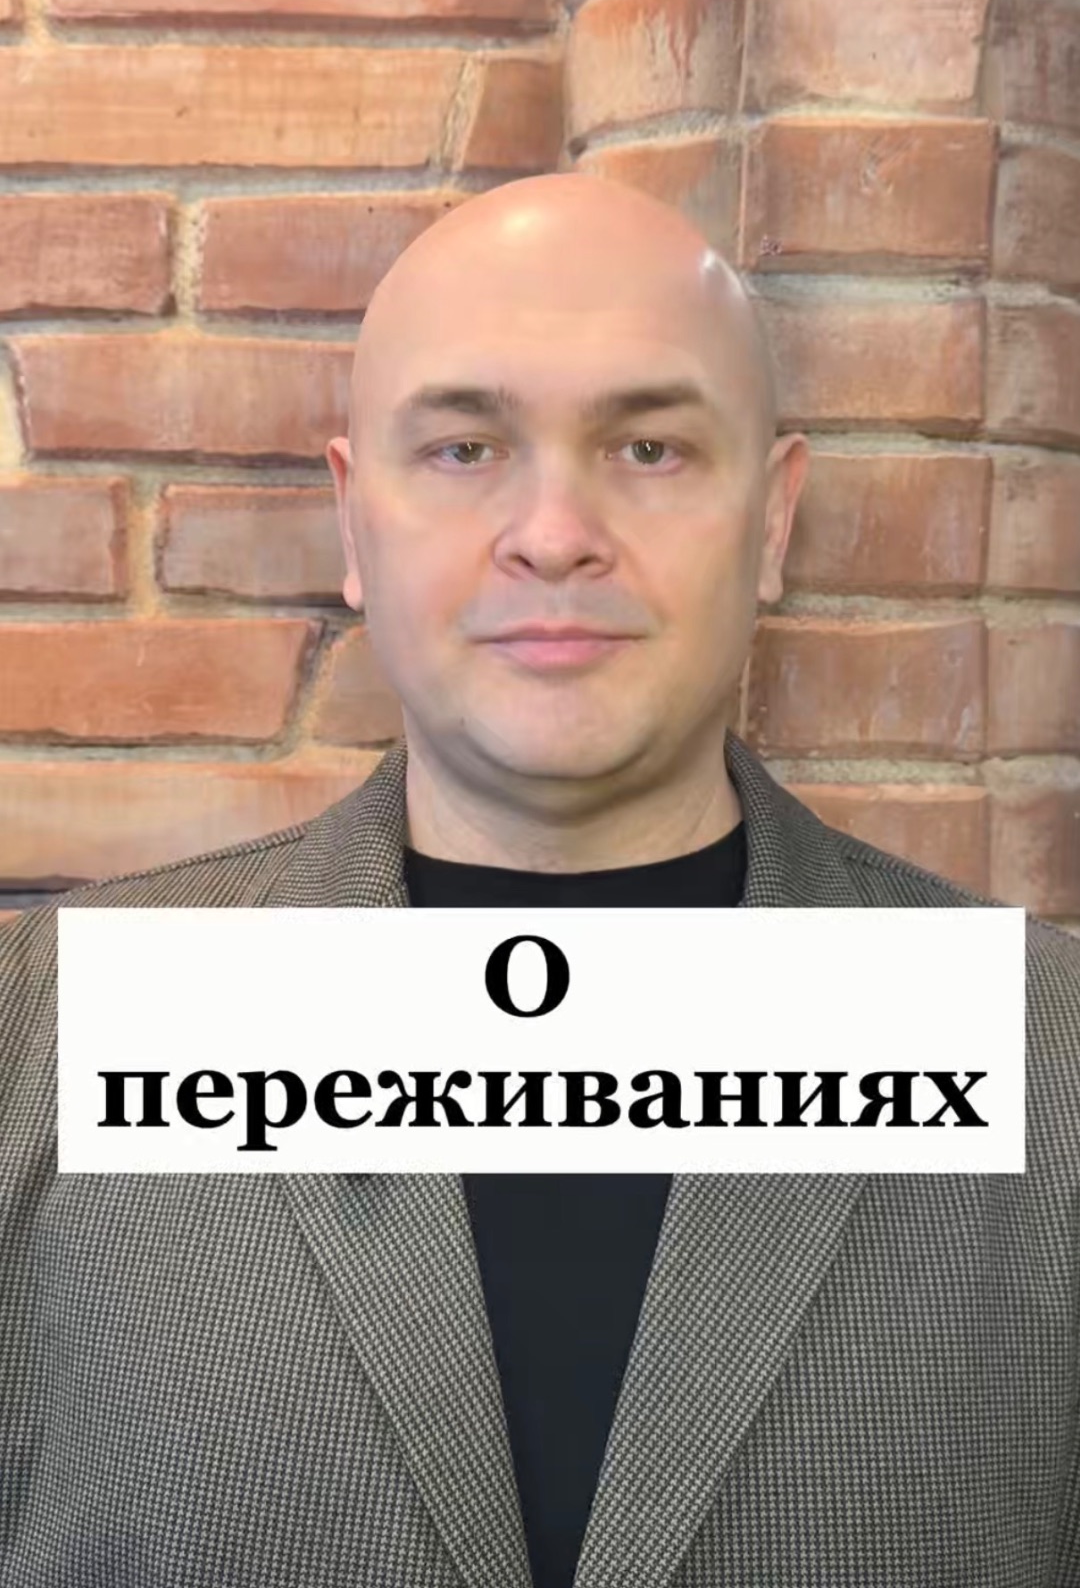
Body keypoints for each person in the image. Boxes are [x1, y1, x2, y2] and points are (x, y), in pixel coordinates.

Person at [2, 171, 1078, 1588]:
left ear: (773, 520)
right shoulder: (46, 1033)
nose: (554, 530)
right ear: (353, 523)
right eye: (464, 448)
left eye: (650, 448)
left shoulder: (1048, 1053)